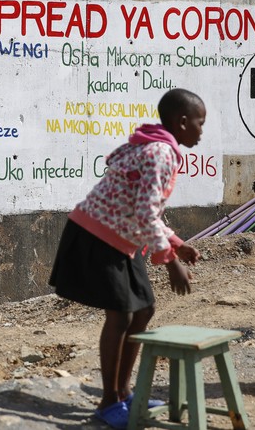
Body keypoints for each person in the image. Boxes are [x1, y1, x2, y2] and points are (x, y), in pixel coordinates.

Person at [49, 88, 206, 429]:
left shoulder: (156, 147)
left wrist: (176, 243)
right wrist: (171, 262)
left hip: (122, 238)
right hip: (98, 236)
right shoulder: (160, 152)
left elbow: (146, 211)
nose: (201, 130)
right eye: (199, 123)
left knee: (144, 308)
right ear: (182, 123)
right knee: (120, 315)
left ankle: (123, 392)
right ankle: (109, 401)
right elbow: (146, 213)